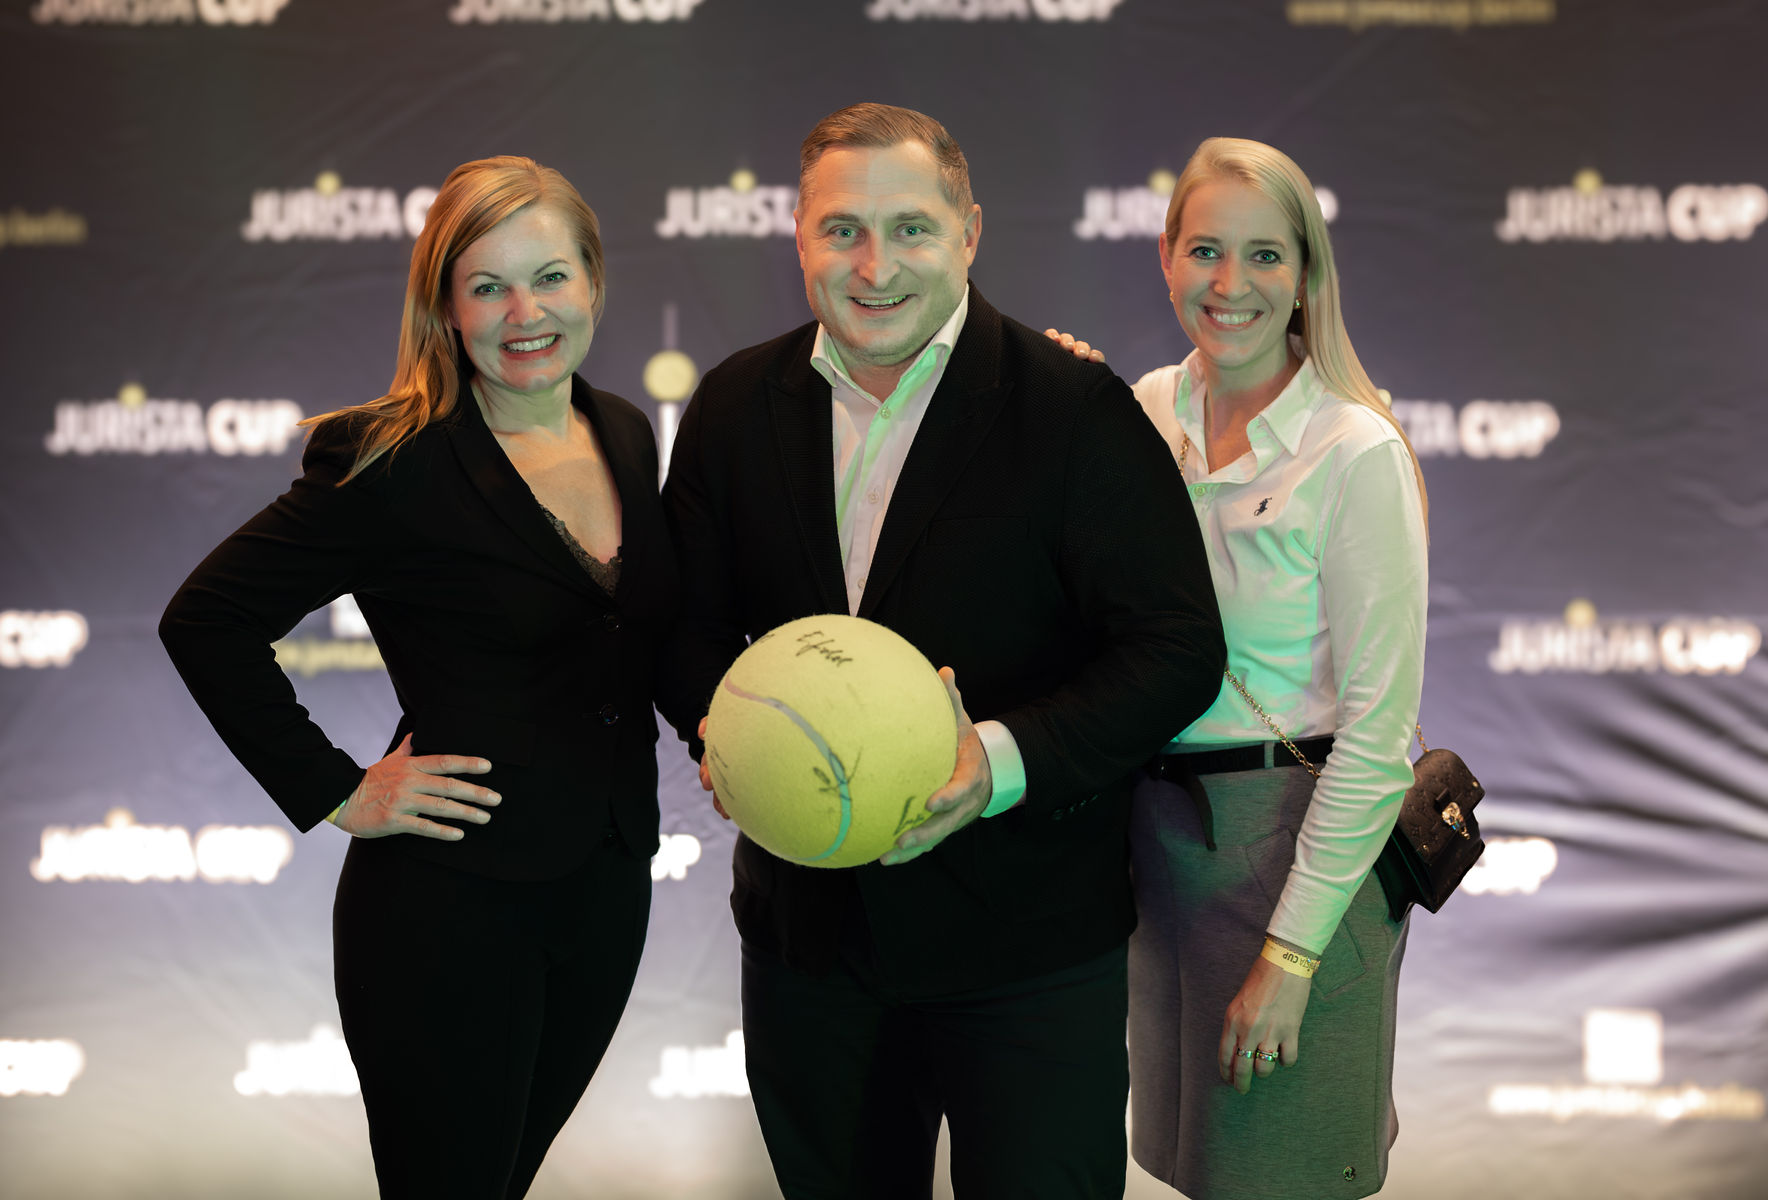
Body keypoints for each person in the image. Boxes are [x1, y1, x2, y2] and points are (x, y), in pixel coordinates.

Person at [658, 102, 1226, 1199]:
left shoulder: (1074, 409)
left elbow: (1174, 648)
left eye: (911, 228)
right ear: (800, 236)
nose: (876, 267)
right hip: (809, 945)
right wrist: (724, 731)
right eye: (843, 230)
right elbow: (684, 628)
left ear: (968, 233)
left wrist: (997, 761)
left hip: (1031, 949)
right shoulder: (731, 406)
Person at [158, 157, 677, 1199]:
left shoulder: (624, 428)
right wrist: (339, 789)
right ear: (446, 306)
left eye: (550, 276)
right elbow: (205, 620)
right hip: (449, 907)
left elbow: (632, 639)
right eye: (488, 286)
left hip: (605, 888)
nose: (525, 313)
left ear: (593, 280)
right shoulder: (390, 458)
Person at [1057, 136, 1428, 1198]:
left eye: (1265, 255)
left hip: (1294, 854)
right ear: (1166, 257)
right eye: (1206, 250)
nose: (1232, 284)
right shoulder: (1141, 410)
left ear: (1307, 273)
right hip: (1159, 846)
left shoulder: (1353, 449)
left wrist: (1292, 955)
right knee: (1197, 1168)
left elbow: (1378, 736)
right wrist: (1053, 395)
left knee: (1280, 1174)